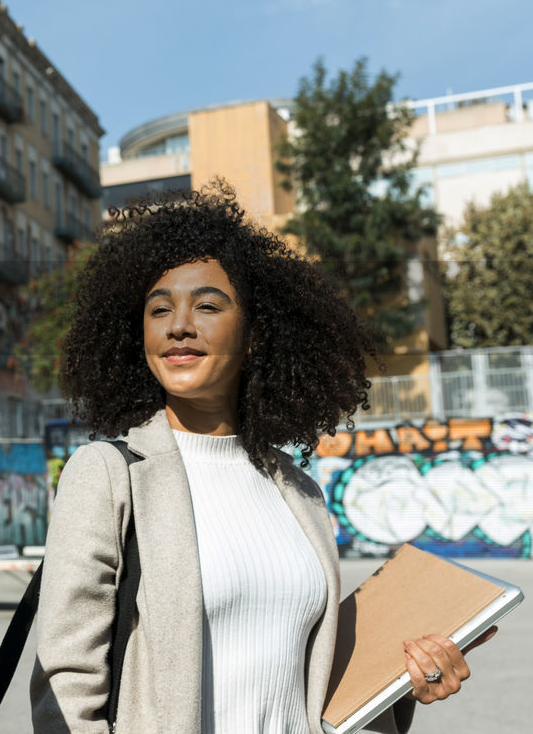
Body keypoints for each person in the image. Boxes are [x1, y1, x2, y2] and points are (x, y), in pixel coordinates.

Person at [30, 185, 493, 733]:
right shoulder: (109, 474)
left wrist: (402, 680)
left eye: (207, 305)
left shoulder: (296, 490)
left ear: (254, 337)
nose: (179, 324)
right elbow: (66, 682)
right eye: (159, 310)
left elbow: (317, 679)